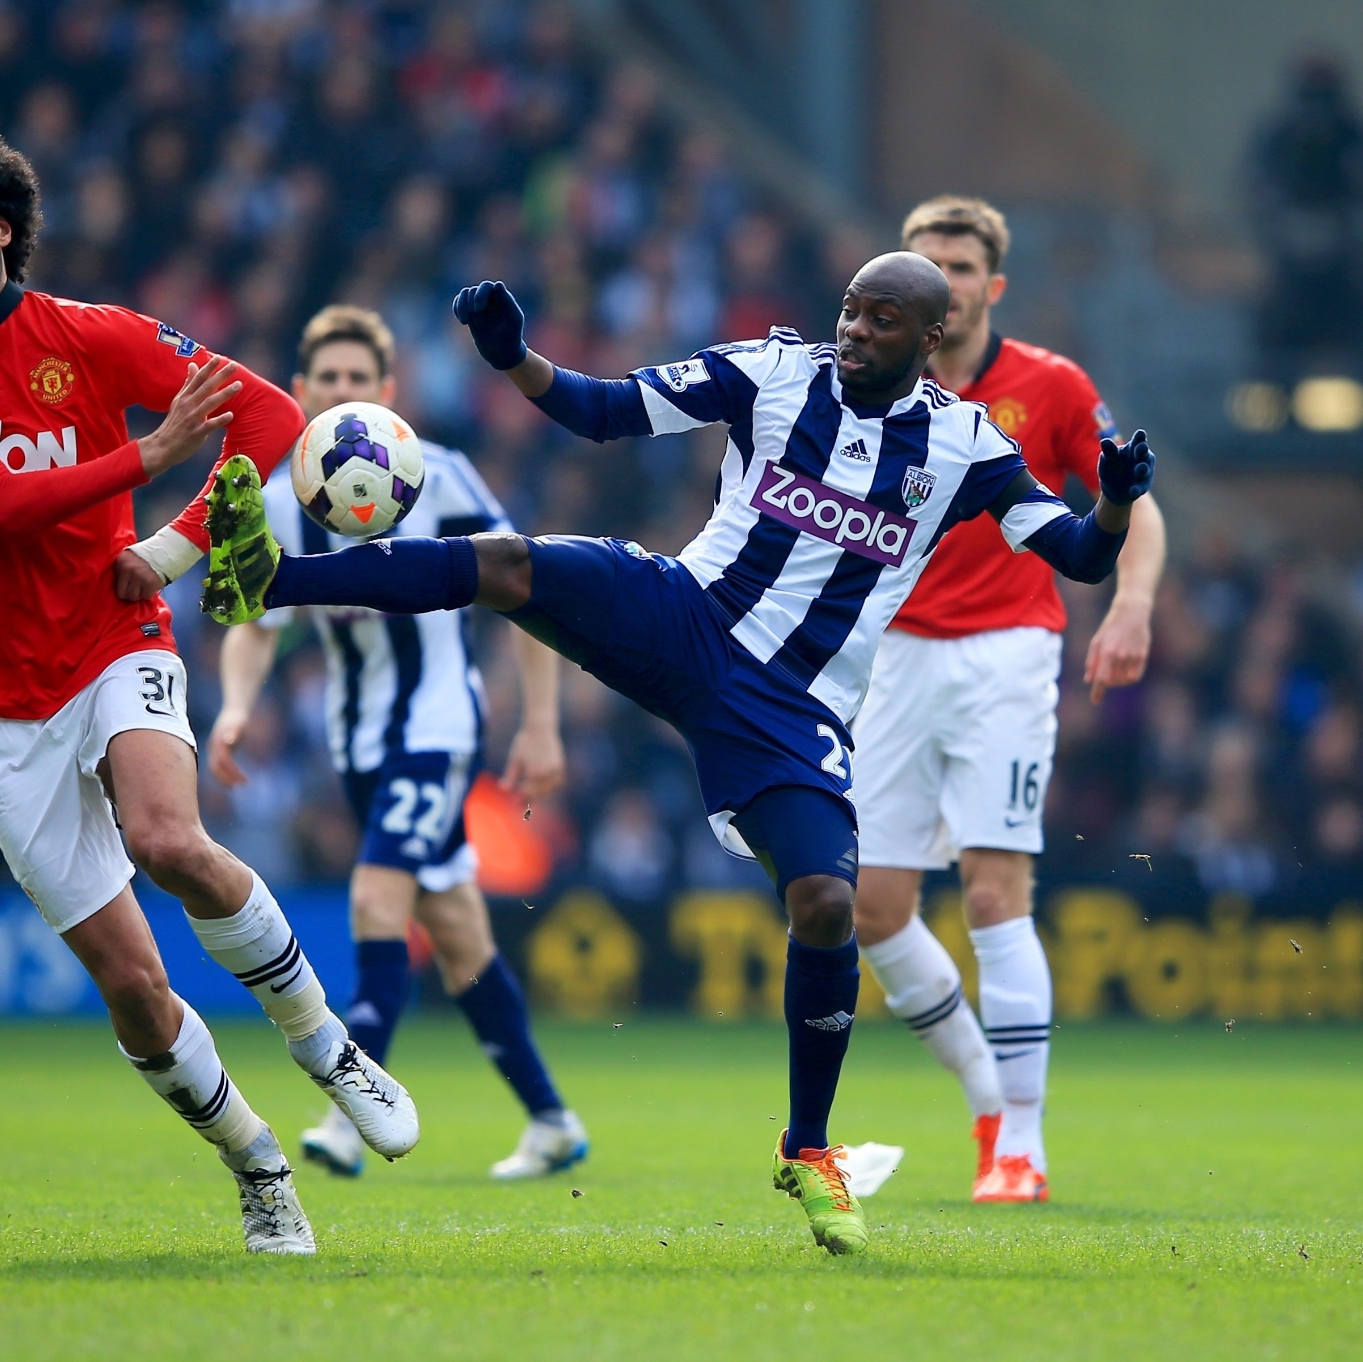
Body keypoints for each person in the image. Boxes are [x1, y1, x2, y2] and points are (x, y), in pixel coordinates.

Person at [201, 253, 1157, 1255]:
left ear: (929, 340)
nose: (857, 331)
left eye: (882, 321)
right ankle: (269, 580)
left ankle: (808, 1149)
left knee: (828, 903)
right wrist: (515, 357)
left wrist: (1116, 503)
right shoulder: (774, 373)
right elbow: (603, 409)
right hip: (684, 615)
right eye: (850, 311)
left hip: (790, 708)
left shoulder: (964, 447)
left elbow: (1083, 555)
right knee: (512, 564)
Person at [0, 124, 416, 1257]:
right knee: (136, 987)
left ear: (5, 223)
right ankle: (258, 1162)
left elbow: (270, 418)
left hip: (116, 636)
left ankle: (325, 1046)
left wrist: (176, 546)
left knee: (170, 839)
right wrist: (149, 462)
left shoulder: (92, 336)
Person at [209, 305, 587, 1181]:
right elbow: (256, 619)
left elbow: (524, 590)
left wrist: (538, 721)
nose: (342, 393)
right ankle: (551, 1118)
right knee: (457, 933)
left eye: (358, 382)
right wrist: (234, 707)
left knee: (378, 903)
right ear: (302, 394)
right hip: (358, 743)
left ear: (387, 396)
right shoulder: (277, 501)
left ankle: (348, 1109)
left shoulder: (441, 478)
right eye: (326, 381)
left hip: (437, 729)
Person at [843, 198, 1167, 1205]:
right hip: (890, 656)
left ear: (992, 285)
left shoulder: (1051, 386)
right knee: (873, 910)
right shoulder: (868, 377)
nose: (945, 279)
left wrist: (1132, 606)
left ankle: (1021, 1143)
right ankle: (988, 1096)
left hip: (1008, 654)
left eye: (962, 264)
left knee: (993, 892)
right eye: (928, 263)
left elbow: (1132, 506)